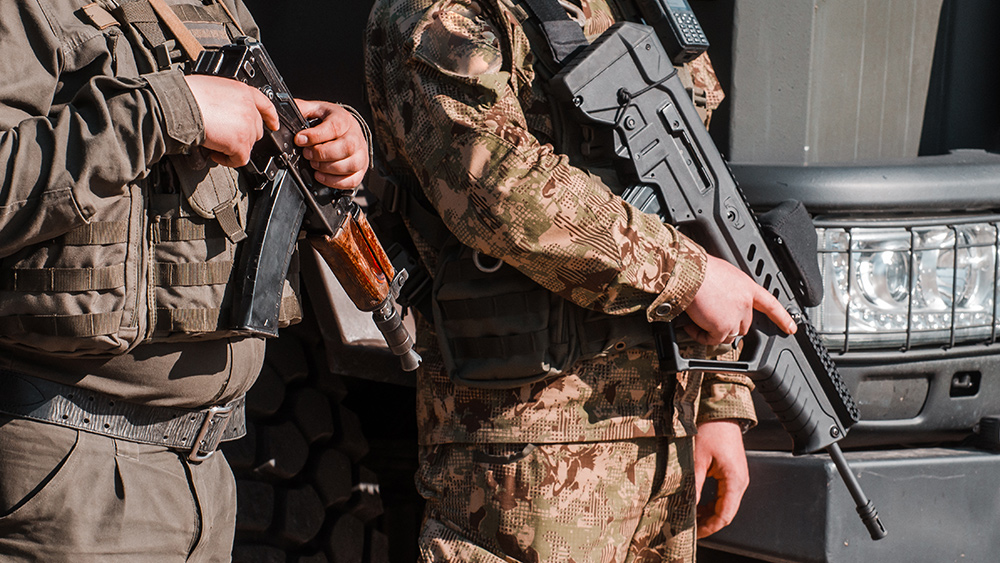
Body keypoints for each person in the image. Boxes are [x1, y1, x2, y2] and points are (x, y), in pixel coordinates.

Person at [364, 0, 797, 560]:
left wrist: (717, 401)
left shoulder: (639, 6)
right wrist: (685, 275)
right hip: (530, 456)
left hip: (664, 442)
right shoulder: (445, 11)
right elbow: (497, 187)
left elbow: (693, 191)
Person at [0, 0, 369, 561]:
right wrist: (166, 110)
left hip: (203, 474)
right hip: (70, 480)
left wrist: (330, 141)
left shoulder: (211, 5)